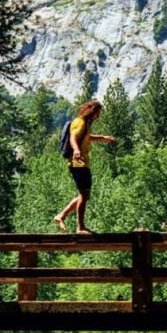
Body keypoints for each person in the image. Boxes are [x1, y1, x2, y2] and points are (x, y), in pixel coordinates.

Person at [54, 99, 115, 234]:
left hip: (82, 163)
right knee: (84, 195)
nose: (98, 117)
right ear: (91, 111)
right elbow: (73, 137)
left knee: (85, 195)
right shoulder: (80, 122)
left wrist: (103, 138)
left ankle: (61, 216)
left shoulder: (85, 124)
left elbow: (86, 137)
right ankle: (80, 227)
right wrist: (76, 150)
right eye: (97, 113)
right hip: (78, 163)